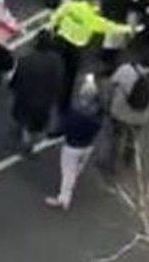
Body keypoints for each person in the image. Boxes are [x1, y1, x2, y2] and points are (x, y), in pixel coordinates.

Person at [46, 0, 134, 109]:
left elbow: (56, 15)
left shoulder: (71, 5)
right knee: (70, 76)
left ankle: (46, 87)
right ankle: (63, 104)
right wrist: (129, 28)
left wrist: (51, 29)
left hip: (59, 42)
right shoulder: (93, 18)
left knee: (52, 66)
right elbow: (111, 27)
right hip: (75, 49)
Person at [45, 74, 104, 210]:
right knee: (77, 169)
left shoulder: (75, 113)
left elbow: (63, 128)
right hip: (88, 145)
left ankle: (64, 199)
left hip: (72, 146)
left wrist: (52, 135)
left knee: (68, 172)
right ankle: (69, 187)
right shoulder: (97, 112)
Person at [104, 54, 149, 173]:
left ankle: (111, 164)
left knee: (115, 138)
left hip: (120, 112)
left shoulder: (126, 70)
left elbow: (112, 84)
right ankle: (128, 158)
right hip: (140, 116)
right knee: (132, 138)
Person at [10, 30, 67, 153]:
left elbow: (16, 79)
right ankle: (33, 142)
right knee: (38, 124)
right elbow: (59, 81)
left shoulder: (25, 60)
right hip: (44, 100)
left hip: (26, 98)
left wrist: (15, 89)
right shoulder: (56, 61)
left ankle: (26, 142)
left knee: (25, 121)